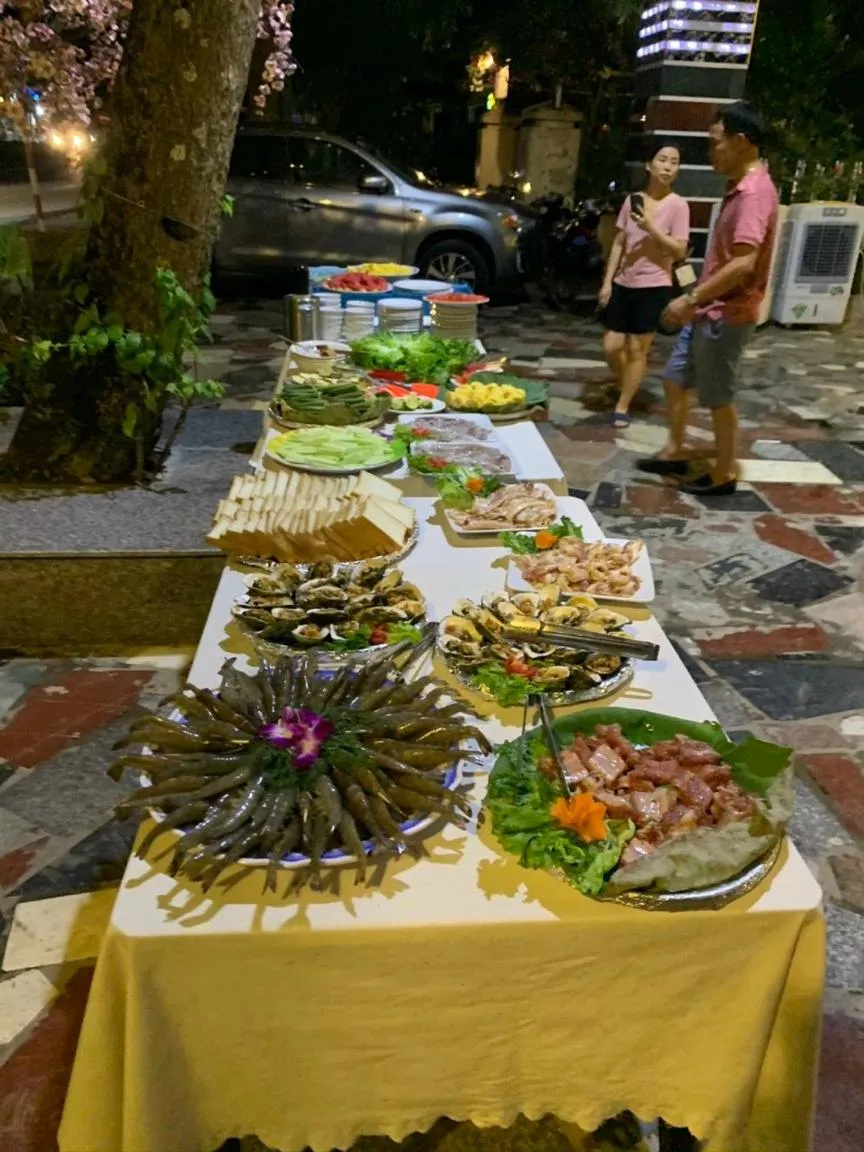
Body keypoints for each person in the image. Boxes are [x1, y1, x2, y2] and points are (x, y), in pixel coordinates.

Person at [638, 101, 779, 495]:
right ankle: (675, 450)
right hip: (708, 309)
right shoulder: (740, 187)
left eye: (716, 142)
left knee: (718, 396)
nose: (710, 151)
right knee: (675, 378)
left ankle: (724, 473)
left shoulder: (753, 194)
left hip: (727, 313)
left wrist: (690, 299)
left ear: (741, 141)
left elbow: (744, 263)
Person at [599, 142, 690, 429]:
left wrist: (651, 228)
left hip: (654, 285)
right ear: (649, 165)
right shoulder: (633, 200)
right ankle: (626, 381)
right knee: (612, 345)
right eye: (662, 160)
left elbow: (679, 250)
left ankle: (623, 404)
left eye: (674, 162)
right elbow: (619, 242)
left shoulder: (678, 205)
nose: (668, 167)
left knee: (637, 349)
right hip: (623, 283)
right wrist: (607, 282)